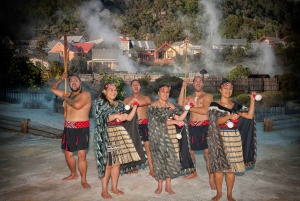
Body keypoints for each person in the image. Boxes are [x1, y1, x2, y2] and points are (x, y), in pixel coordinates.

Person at [207, 79, 257, 201]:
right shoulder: (214, 105)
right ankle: (219, 193)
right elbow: (215, 121)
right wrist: (229, 117)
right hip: (219, 139)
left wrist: (252, 100)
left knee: (231, 169)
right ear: (220, 90)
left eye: (230, 89)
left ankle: (229, 194)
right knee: (219, 169)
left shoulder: (236, 106)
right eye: (225, 88)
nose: (228, 91)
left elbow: (249, 116)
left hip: (234, 138)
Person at [94, 83, 142, 199]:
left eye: (115, 90)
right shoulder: (99, 102)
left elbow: (128, 118)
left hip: (119, 134)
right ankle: (104, 190)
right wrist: (116, 116)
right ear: (105, 91)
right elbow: (99, 117)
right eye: (111, 90)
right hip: (106, 134)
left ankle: (114, 187)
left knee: (117, 163)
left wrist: (134, 106)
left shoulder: (119, 103)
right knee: (108, 164)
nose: (113, 92)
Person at [148, 85, 195, 195]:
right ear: (158, 92)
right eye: (163, 91)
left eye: (167, 92)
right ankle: (160, 185)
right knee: (159, 159)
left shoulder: (171, 106)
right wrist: (175, 122)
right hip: (158, 135)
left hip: (171, 134)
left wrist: (187, 108)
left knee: (170, 159)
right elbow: (157, 122)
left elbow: (179, 118)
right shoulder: (153, 106)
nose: (165, 94)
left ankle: (168, 186)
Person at [50, 72, 91, 189]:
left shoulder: (85, 94)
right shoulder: (67, 94)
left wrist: (65, 98)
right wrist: (61, 79)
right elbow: (52, 88)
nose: (73, 82)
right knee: (68, 154)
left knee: (81, 155)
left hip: (82, 128)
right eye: (71, 81)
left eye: (76, 80)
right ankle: (73, 174)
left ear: (80, 83)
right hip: (68, 127)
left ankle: (83, 180)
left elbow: (77, 106)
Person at [178, 76, 215, 190]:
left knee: (207, 154)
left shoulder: (207, 96)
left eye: (200, 81)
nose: (198, 83)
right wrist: (183, 87)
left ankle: (212, 179)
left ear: (203, 84)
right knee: (190, 153)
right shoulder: (189, 97)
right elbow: (180, 103)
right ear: (193, 84)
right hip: (192, 127)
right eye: (195, 81)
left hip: (205, 126)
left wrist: (189, 108)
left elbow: (205, 110)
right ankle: (193, 172)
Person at [123, 79, 154, 176]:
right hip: (132, 125)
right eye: (133, 85)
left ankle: (152, 170)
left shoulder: (146, 98)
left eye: (137, 84)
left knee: (148, 147)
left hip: (144, 124)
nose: (135, 86)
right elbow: (124, 114)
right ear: (131, 87)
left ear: (140, 87)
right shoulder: (127, 100)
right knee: (132, 146)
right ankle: (133, 167)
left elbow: (152, 109)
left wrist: (142, 104)